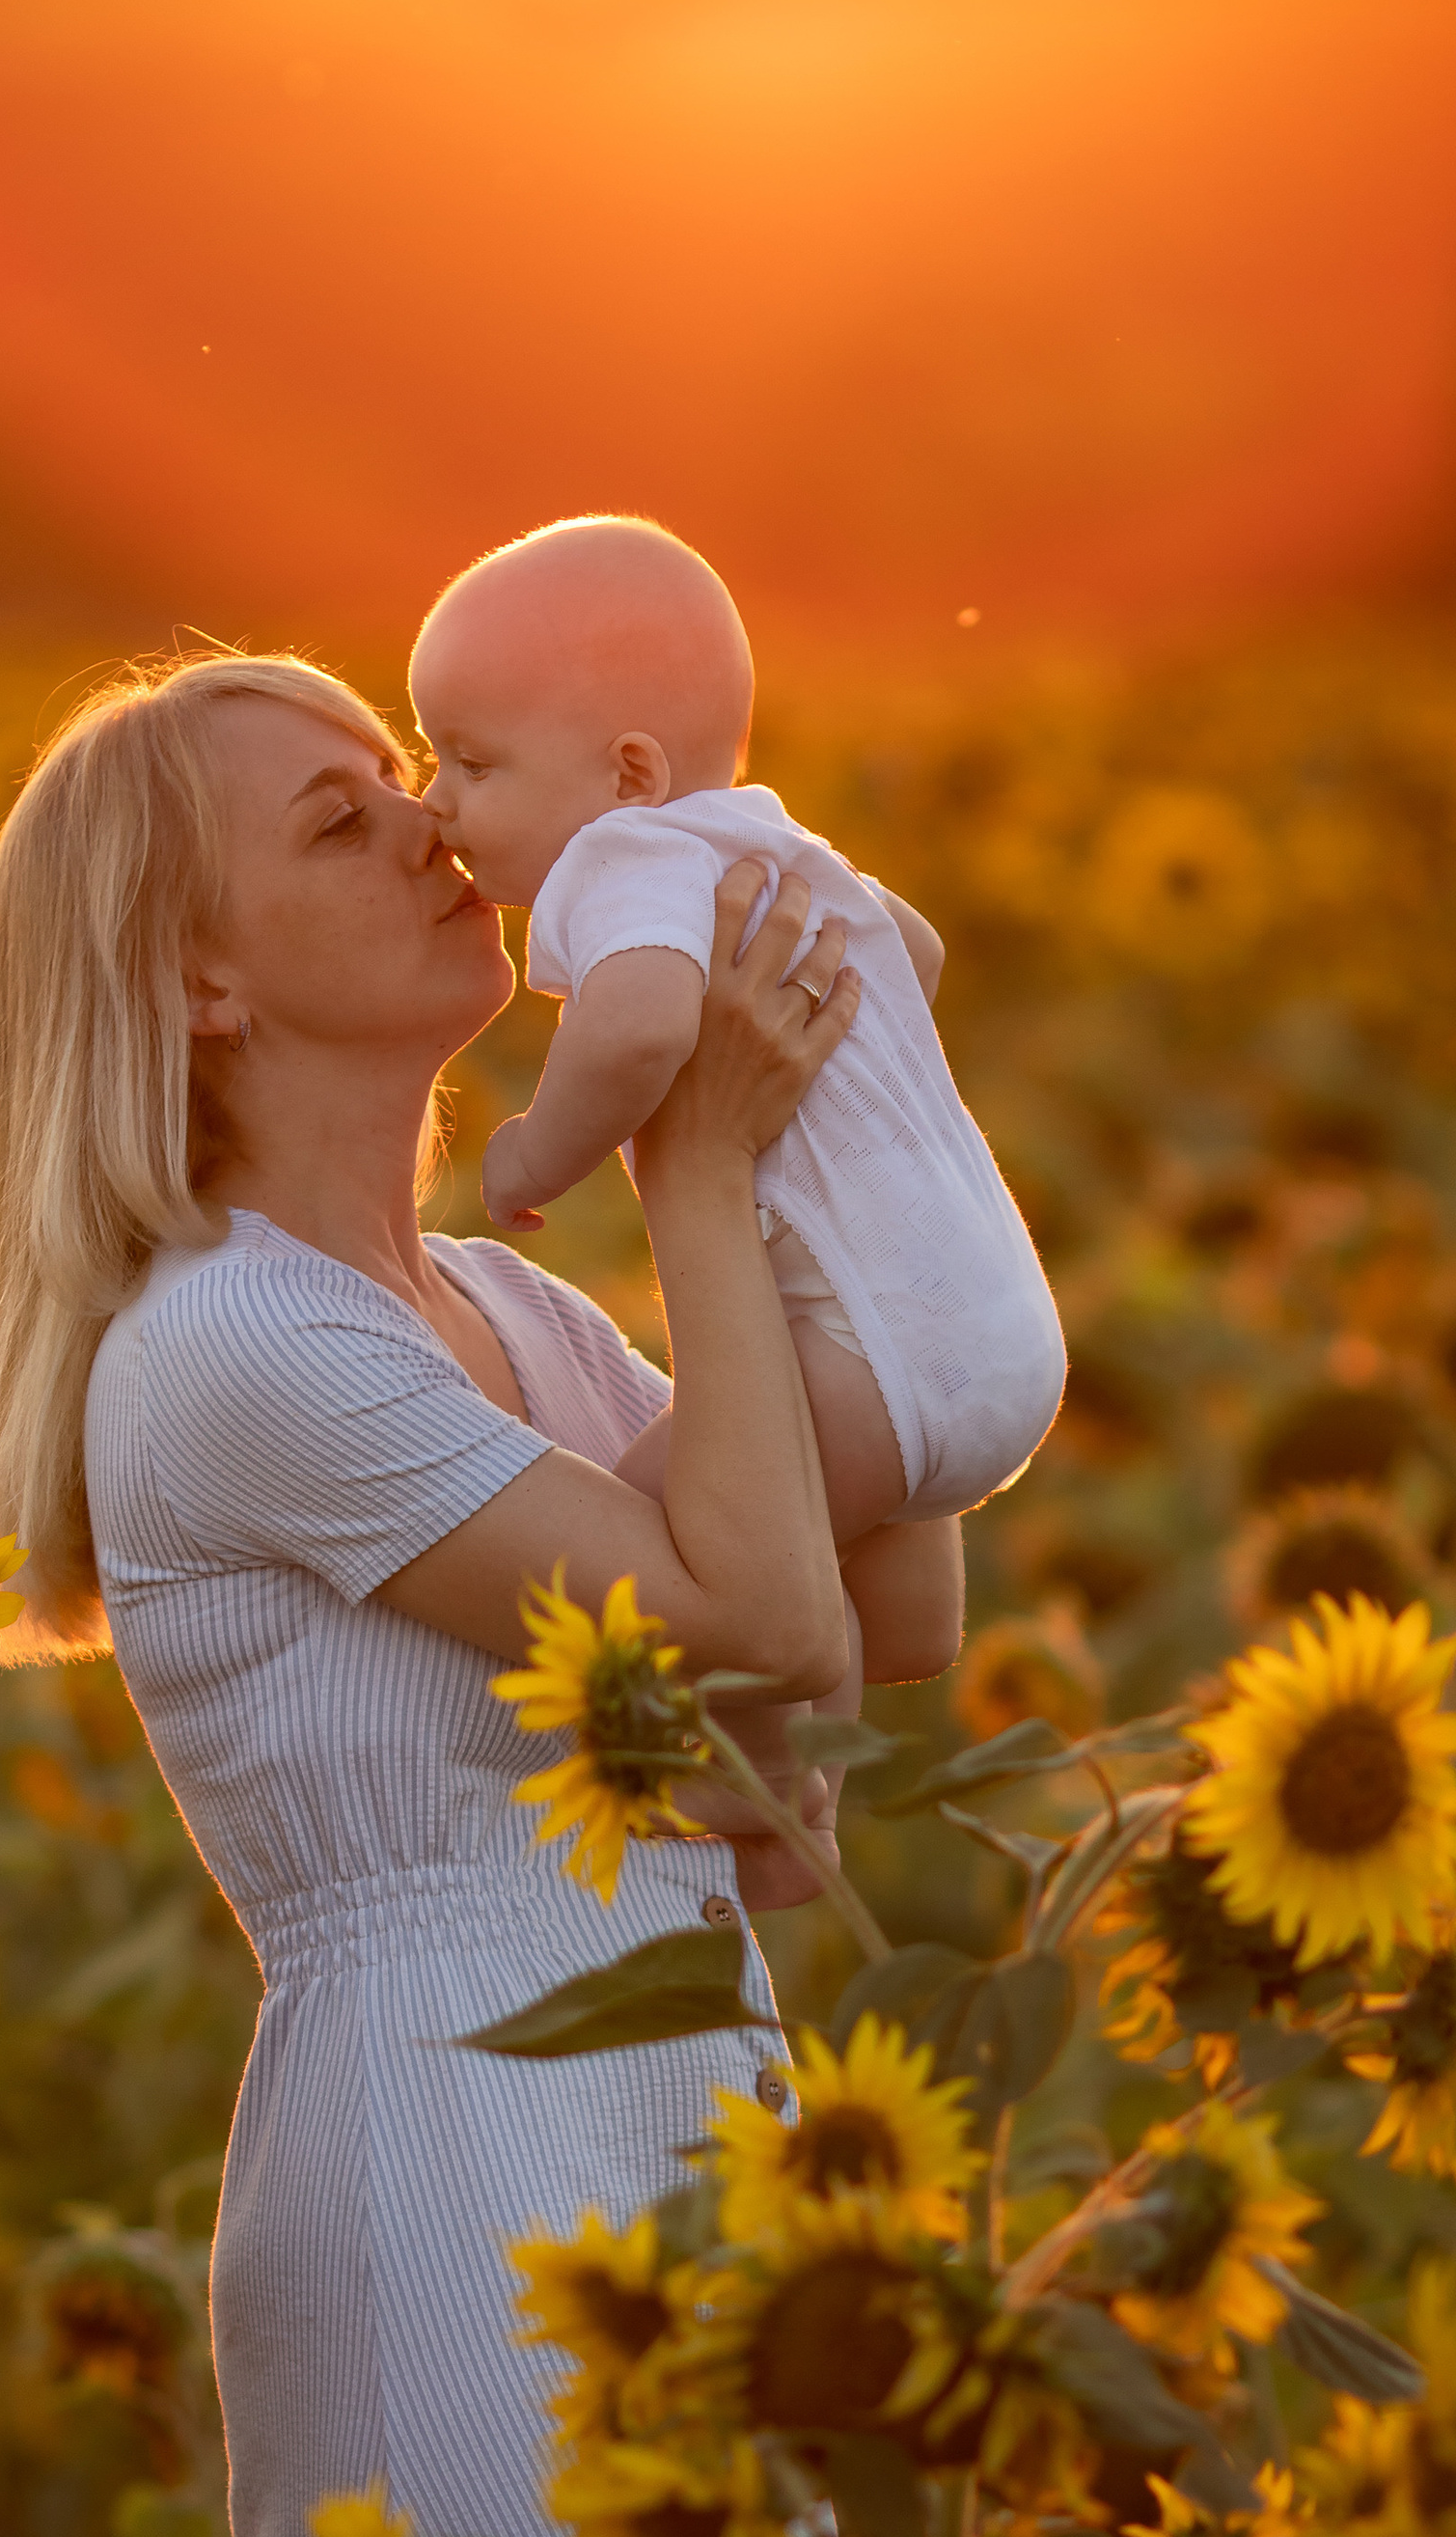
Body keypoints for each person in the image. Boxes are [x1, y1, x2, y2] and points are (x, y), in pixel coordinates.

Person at [0, 647, 902, 2537]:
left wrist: (852, 1115)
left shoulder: (496, 1312)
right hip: (452, 2140)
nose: (432, 830)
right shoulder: (232, 1347)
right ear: (198, 982)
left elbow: (864, 1612)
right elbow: (749, 1619)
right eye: (335, 823)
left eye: (405, 782)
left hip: (679, 2088)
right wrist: (701, 1159)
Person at [409, 512, 1067, 1751]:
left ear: (629, 774)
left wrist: (533, 1152)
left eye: (471, 763)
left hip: (872, 1356)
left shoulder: (630, 854)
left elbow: (642, 1027)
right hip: (985, 1319)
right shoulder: (779, 846)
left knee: (673, 1553)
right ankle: (812, 1737)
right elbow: (909, 953)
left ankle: (768, 1809)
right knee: (889, 1626)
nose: (437, 803)